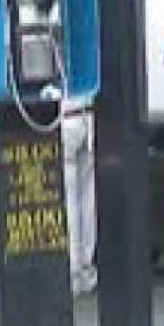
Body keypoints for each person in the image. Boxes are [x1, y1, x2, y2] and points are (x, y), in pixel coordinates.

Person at [62, 97, 97, 297]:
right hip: (88, 115)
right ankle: (86, 268)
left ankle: (73, 272)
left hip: (64, 118)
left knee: (69, 200)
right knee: (88, 198)